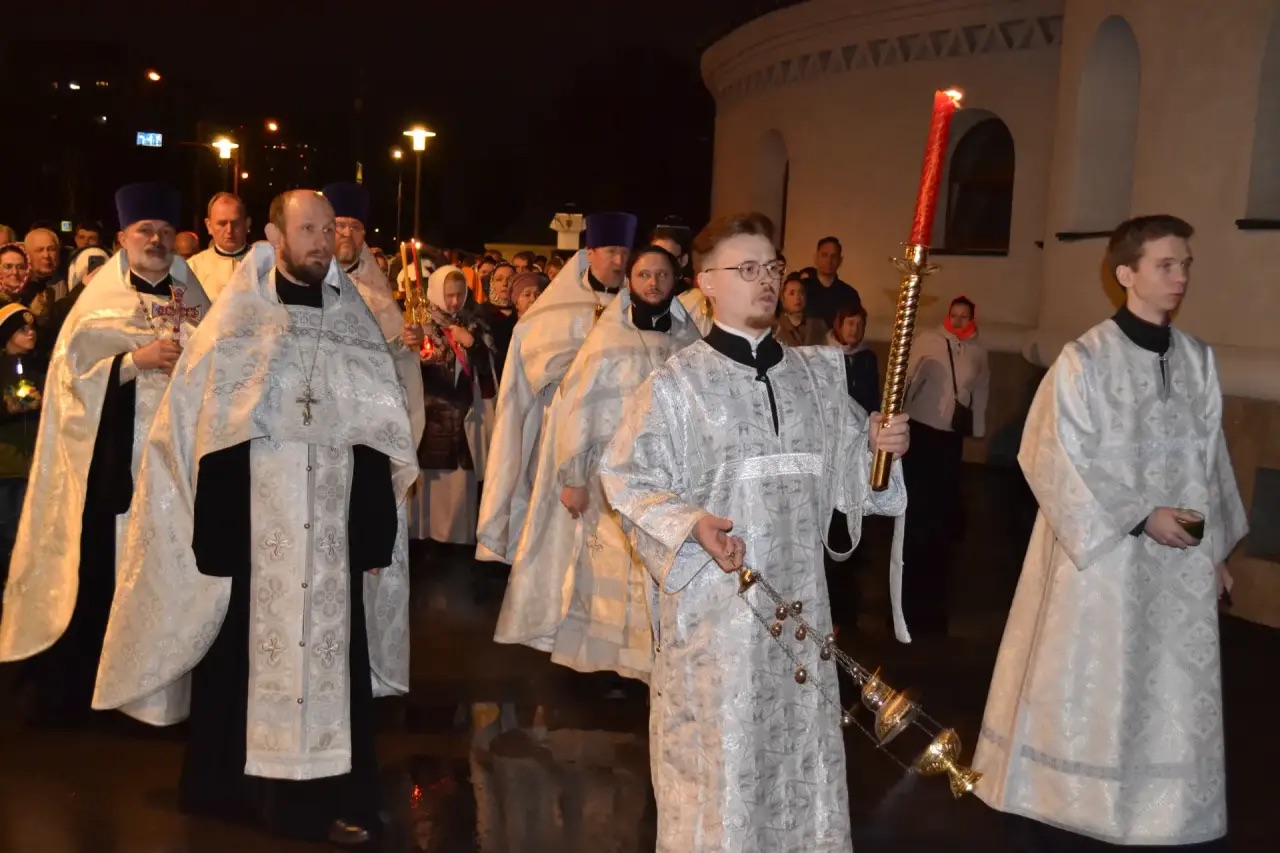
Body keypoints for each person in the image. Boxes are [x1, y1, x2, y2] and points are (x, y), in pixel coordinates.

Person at [93, 190, 419, 847]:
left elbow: (377, 436)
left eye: (328, 229)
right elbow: (207, 429)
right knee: (240, 664)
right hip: (254, 538)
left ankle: (336, 793)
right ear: (275, 233)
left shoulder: (353, 320)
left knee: (335, 661)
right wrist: (213, 538)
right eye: (308, 229)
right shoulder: (238, 319)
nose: (322, 241)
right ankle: (239, 796)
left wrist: (374, 533)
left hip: (329, 541)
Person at [599, 212, 911, 851]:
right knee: (723, 763)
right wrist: (691, 525)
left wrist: (881, 447)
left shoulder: (817, 379)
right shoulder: (676, 384)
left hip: (803, 610)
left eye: (772, 267)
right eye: (748, 269)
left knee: (798, 756)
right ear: (707, 283)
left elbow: (853, 478)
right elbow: (627, 476)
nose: (766, 281)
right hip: (717, 621)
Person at [973, 215, 1247, 851]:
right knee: (1102, 679)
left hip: (1178, 563)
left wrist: (1214, 552)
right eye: (1166, 265)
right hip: (1102, 562)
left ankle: (1162, 806)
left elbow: (1211, 458)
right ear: (1126, 274)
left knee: (1167, 684)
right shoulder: (1084, 359)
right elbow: (1053, 453)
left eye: (1185, 266)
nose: (1180, 277)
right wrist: (1137, 514)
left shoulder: (1199, 360)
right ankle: (1080, 799)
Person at [0, 183, 209, 721]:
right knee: (109, 573)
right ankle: (105, 692)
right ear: (122, 237)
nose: (157, 240)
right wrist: (135, 360)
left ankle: (165, 689)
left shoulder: (197, 300)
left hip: (180, 471)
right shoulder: (97, 304)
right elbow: (70, 384)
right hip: (117, 469)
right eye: (145, 231)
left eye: (165, 232)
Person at [496, 245, 702, 682]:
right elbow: (580, 413)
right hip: (610, 482)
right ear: (630, 283)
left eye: (662, 275)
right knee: (608, 572)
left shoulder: (692, 345)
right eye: (644, 275)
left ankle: (654, 661)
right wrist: (573, 479)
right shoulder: (608, 340)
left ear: (675, 281)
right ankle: (605, 664)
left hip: (672, 484)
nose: (653, 283)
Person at [476, 211, 636, 564]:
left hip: (620, 440)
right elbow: (525, 378)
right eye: (610, 250)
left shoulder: (638, 310)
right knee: (557, 541)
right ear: (589, 252)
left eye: (625, 252)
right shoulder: (551, 312)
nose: (619, 260)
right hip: (559, 438)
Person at [898, 294, 989, 636]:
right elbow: (908, 376)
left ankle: (936, 538)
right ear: (948, 316)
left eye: (965, 315)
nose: (960, 320)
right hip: (923, 425)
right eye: (955, 315)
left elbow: (981, 388)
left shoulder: (979, 351)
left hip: (952, 431)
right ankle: (914, 537)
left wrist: (977, 426)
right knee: (919, 486)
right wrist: (899, 415)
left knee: (945, 488)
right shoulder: (929, 340)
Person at [321, 181, 425, 447]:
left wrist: (406, 342)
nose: (347, 233)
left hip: (366, 419)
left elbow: (391, 356)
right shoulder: (307, 280)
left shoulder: (377, 293)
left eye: (354, 227)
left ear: (363, 234)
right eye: (340, 226)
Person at [409, 264, 497, 546]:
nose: (454, 301)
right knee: (431, 480)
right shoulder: (421, 322)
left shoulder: (474, 322)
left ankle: (457, 538)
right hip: (431, 410)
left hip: (464, 412)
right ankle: (424, 537)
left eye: (459, 294)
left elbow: (488, 369)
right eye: (448, 295)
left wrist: (471, 343)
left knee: (460, 482)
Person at [187, 192, 251, 301]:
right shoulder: (191, 269)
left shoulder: (265, 263)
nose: (229, 230)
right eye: (222, 224)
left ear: (247, 224)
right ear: (209, 226)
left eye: (235, 223)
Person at [799, 236, 860, 328]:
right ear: (816, 257)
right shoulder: (801, 289)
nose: (829, 260)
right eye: (824, 255)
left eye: (833, 256)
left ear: (840, 260)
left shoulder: (850, 294)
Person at [773, 270, 827, 346]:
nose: (797, 297)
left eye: (801, 292)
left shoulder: (818, 325)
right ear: (783, 298)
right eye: (792, 293)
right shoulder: (775, 328)